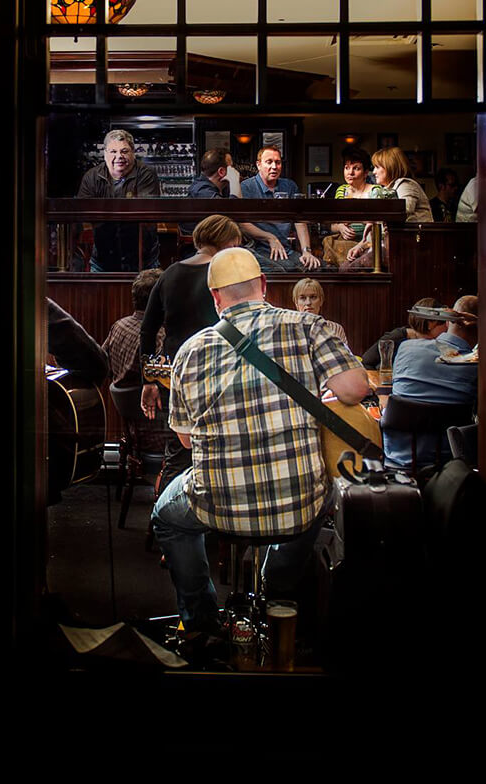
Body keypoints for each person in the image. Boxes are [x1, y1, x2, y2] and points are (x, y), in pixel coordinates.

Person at [151, 248, 368, 639]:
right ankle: (274, 595)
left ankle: (203, 622)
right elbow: (354, 388)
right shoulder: (308, 327)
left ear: (215, 297)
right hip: (296, 504)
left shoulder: (190, 351)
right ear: (265, 286)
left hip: (217, 503)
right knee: (316, 501)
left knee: (166, 517)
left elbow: (185, 438)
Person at [140, 214, 243, 486]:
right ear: (227, 241)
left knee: (177, 453)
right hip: (219, 372)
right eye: (236, 242)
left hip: (173, 372)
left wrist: (148, 380)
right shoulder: (227, 275)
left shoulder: (170, 273)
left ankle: (165, 521)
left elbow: (147, 330)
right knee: (221, 450)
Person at [384, 295, 478, 468]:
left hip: (398, 462)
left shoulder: (406, 348)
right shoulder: (477, 368)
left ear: (448, 321)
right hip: (450, 467)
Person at [76, 129, 162, 272]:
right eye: (113, 152)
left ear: (133, 153)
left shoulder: (146, 174)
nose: (119, 156)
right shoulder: (91, 177)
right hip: (103, 258)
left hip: (142, 258)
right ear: (105, 154)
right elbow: (83, 214)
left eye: (124, 151)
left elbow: (144, 212)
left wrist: (103, 214)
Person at [239, 146, 320, 272]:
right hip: (258, 250)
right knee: (284, 271)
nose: (274, 167)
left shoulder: (289, 185)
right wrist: (270, 237)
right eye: (269, 162)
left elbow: (299, 220)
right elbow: (242, 223)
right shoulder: (246, 187)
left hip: (285, 249)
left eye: (278, 162)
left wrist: (306, 251)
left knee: (317, 268)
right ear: (258, 165)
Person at [321, 145, 384, 265]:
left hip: (368, 243)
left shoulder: (375, 190)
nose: (350, 172)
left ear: (366, 173)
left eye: (356, 168)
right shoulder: (341, 190)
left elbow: (378, 224)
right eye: (347, 168)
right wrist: (340, 227)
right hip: (343, 242)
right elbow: (332, 224)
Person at [102, 268, 164, 389]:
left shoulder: (119, 325)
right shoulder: (158, 336)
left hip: (122, 401)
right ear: (159, 300)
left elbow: (102, 361)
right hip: (147, 402)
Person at [362, 296, 447, 369]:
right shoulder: (397, 337)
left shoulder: (440, 344)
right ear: (430, 324)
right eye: (444, 322)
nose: (447, 327)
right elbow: (366, 361)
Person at [292, 277, 349, 348]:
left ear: (321, 301)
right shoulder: (289, 330)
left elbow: (344, 357)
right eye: (303, 298)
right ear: (296, 303)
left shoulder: (335, 328)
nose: (308, 302)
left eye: (313, 297)